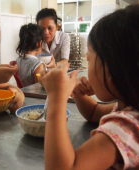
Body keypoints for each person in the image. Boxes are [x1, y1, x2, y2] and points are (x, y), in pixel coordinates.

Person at [40, 5, 139, 170]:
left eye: (90, 59)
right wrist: (78, 94)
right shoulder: (130, 108)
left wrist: (56, 100)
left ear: (114, 71)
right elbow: (93, 113)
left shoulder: (126, 128)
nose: (87, 67)